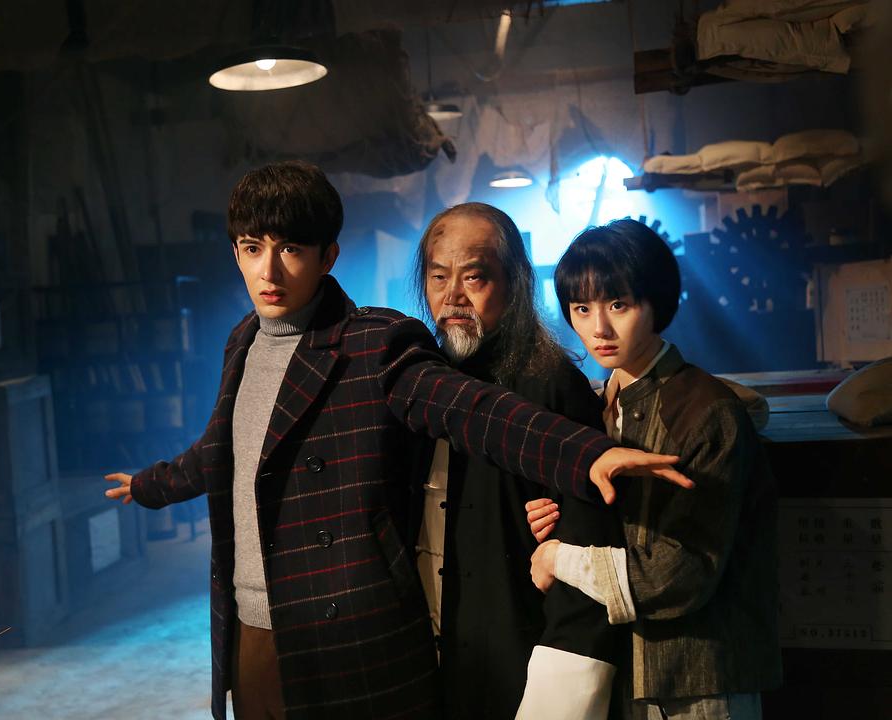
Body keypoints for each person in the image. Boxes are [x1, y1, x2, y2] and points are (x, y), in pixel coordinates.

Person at [104, 163, 690, 720]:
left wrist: (588, 453)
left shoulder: (381, 344)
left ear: (327, 257)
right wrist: (150, 485)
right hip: (273, 620)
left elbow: (478, 412)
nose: (269, 271)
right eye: (253, 248)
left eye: (291, 250)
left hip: (378, 629)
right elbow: (222, 447)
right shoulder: (242, 342)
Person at [522, 218, 781, 720]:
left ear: (656, 302)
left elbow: (680, 573)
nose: (598, 328)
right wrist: (556, 520)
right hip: (625, 674)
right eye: (582, 308)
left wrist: (560, 558)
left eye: (618, 305)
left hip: (701, 682)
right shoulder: (597, 405)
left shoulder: (705, 410)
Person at [411, 203, 624, 720]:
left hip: (526, 665)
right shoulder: (419, 383)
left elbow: (590, 556)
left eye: (474, 277)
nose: (453, 296)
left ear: (515, 283)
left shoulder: (551, 384)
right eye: (438, 277)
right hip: (432, 663)